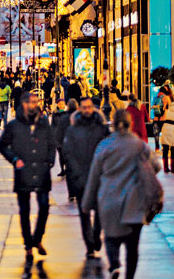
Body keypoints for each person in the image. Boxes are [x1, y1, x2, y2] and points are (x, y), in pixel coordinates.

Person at [81, 108, 160, 279]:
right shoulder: (140, 145)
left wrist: (86, 204)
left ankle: (115, 265)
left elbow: (94, 177)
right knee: (133, 246)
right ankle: (129, 276)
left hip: (110, 200)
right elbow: (157, 166)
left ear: (113, 124)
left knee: (111, 238)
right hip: (135, 201)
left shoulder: (104, 146)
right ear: (130, 122)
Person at [0, 90, 55, 265]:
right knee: (24, 210)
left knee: (44, 207)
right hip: (23, 172)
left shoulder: (44, 123)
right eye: (31, 102)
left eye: (36, 101)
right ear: (23, 104)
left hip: (42, 171)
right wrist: (14, 159)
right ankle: (28, 245)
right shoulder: (14, 125)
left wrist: (49, 161)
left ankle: (37, 238)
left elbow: (52, 143)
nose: (34, 105)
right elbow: (2, 145)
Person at [62, 96, 109, 257]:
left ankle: (95, 235)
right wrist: (75, 172)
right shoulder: (73, 129)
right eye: (84, 107)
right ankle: (89, 245)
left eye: (89, 107)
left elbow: (108, 150)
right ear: (80, 109)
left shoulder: (101, 128)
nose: (87, 110)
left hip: (99, 177)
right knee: (84, 212)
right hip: (81, 177)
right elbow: (68, 152)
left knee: (100, 211)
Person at [51, 98, 71, 177]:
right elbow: (53, 125)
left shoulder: (67, 113)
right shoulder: (55, 113)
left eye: (62, 103)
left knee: (66, 154)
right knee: (60, 154)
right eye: (60, 104)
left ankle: (67, 169)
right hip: (58, 136)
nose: (61, 105)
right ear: (57, 105)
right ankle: (62, 169)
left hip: (66, 136)